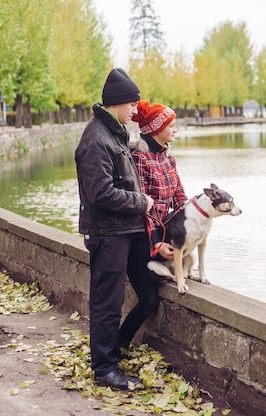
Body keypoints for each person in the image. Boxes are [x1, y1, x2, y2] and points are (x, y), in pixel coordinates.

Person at [74, 68, 158, 390]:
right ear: (119, 103)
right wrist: (141, 202)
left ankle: (112, 355)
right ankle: (104, 370)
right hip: (108, 234)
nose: (137, 110)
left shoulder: (114, 133)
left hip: (124, 231)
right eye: (133, 104)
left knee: (135, 296)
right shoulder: (97, 138)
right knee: (107, 303)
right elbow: (100, 193)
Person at [130, 100, 187, 263]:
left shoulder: (169, 159)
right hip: (145, 238)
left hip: (167, 231)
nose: (175, 130)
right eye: (171, 126)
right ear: (156, 129)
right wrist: (157, 242)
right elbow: (142, 205)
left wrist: (193, 219)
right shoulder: (140, 159)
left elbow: (180, 198)